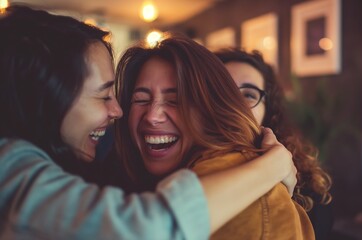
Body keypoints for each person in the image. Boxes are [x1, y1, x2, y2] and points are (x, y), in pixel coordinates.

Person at [0, 6, 297, 239]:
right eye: (104, 96)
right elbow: (144, 227)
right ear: (51, 97)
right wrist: (271, 166)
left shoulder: (249, 197)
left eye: (176, 99)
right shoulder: (11, 165)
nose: (119, 111)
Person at [114, 34, 314, 239]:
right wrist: (272, 166)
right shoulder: (114, 170)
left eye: (175, 99)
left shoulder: (248, 188)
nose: (153, 116)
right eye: (140, 99)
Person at [215, 48, 334, 239]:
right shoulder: (180, 163)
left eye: (249, 95)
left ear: (268, 110)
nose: (235, 103)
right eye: (223, 91)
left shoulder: (304, 181)